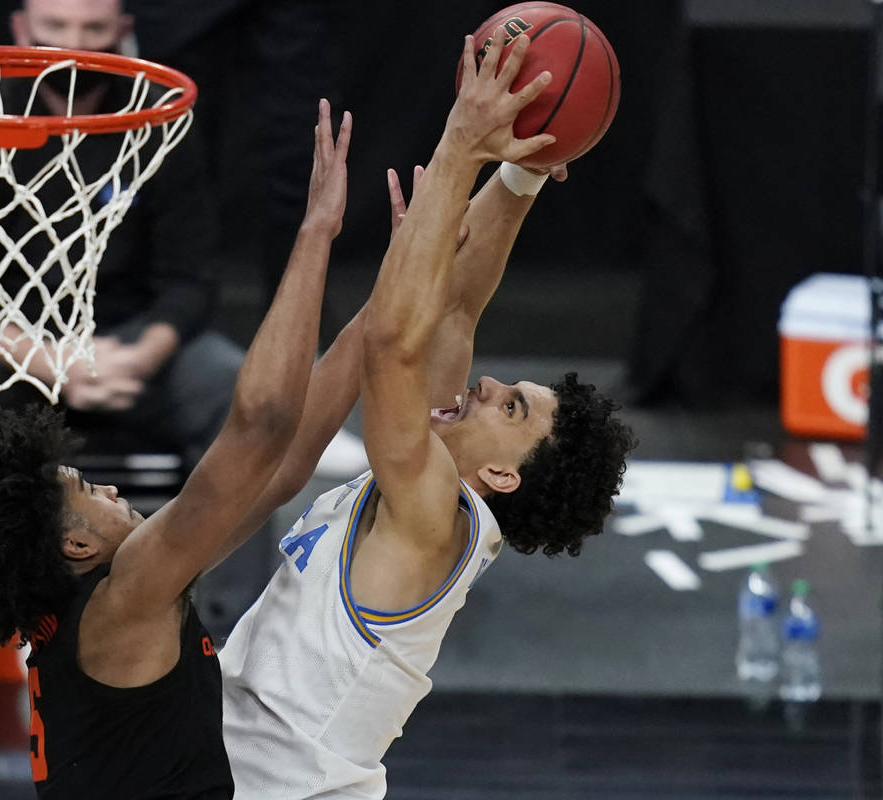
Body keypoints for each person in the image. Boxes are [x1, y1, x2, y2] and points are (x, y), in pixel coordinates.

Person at [218, 33, 637, 797]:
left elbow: (389, 345)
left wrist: (459, 147)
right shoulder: (438, 476)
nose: (489, 384)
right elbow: (454, 308)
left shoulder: (432, 514)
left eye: (513, 406)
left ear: (502, 474)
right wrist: (521, 174)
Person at [0, 98, 352, 797]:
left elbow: (279, 469)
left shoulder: (99, 607)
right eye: (90, 493)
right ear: (75, 547)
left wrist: (406, 274)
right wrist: (316, 232)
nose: (114, 491)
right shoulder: (124, 598)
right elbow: (262, 425)